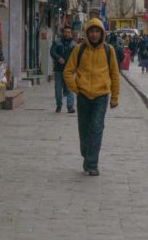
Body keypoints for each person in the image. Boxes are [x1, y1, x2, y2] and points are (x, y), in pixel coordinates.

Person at [62, 18, 120, 176]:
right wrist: (76, 89)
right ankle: (86, 154)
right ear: (87, 33)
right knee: (84, 128)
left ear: (102, 33)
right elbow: (67, 71)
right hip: (83, 95)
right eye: (91, 31)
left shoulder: (109, 50)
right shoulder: (79, 49)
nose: (94, 34)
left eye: (97, 31)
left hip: (101, 95)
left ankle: (92, 163)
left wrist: (115, 97)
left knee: (96, 127)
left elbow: (114, 74)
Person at [49, 25, 77, 113]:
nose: (67, 34)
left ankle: (70, 106)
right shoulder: (57, 42)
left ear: (71, 33)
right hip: (58, 70)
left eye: (68, 32)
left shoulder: (74, 44)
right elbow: (52, 51)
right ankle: (59, 105)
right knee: (58, 89)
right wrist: (58, 58)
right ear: (63, 32)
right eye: (65, 32)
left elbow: (76, 56)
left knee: (70, 88)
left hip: (69, 70)